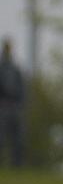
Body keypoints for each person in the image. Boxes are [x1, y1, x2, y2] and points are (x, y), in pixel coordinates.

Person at [0, 38, 25, 167]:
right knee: (2, 138)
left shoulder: (16, 68)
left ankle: (16, 165)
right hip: (3, 106)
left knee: (18, 139)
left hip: (15, 106)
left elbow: (22, 88)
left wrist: (21, 103)